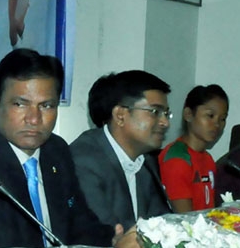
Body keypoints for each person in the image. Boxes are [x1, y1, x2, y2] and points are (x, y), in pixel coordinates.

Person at [0, 48, 133, 248]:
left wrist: (112, 241)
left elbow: (78, 224)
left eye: (46, 106)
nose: (34, 119)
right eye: (20, 104)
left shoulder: (56, 150)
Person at [70, 70, 173, 228]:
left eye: (166, 113)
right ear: (120, 115)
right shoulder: (85, 161)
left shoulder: (146, 162)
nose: (165, 122)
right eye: (155, 112)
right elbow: (106, 234)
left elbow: (162, 223)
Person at [159, 84, 230, 212]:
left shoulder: (207, 159)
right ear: (188, 114)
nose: (217, 124)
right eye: (210, 116)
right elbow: (185, 218)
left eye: (222, 119)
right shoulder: (177, 158)